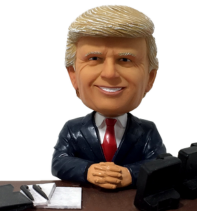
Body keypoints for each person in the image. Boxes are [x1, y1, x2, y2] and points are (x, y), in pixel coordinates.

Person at [51, 5, 166, 189]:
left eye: (125, 60)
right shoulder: (73, 130)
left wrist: (130, 173)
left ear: (150, 78)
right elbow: (59, 162)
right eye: (94, 59)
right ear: (73, 75)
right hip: (85, 203)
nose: (110, 74)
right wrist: (88, 170)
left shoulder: (147, 132)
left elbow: (161, 164)